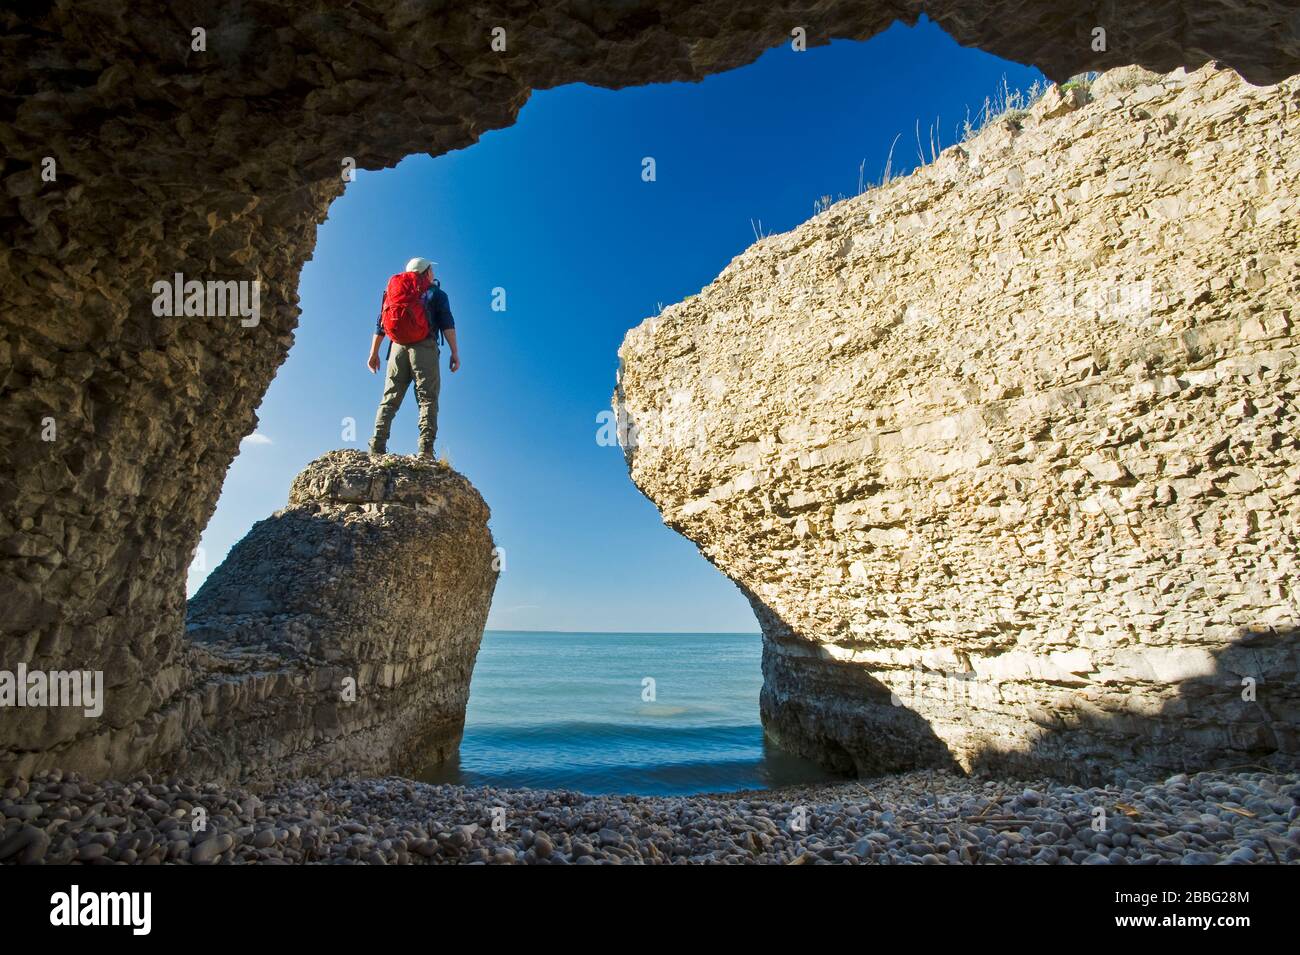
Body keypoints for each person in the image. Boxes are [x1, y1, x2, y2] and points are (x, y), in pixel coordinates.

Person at [367, 257, 460, 457]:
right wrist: (454, 352)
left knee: (389, 398)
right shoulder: (436, 293)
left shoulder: (394, 291)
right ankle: (426, 450)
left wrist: (373, 353)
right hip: (424, 347)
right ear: (426, 272)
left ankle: (376, 446)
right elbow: (447, 323)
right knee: (427, 398)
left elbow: (380, 324)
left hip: (397, 348)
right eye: (431, 271)